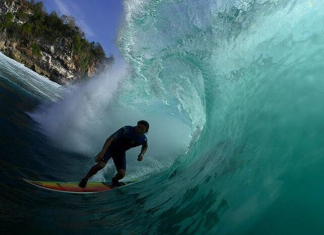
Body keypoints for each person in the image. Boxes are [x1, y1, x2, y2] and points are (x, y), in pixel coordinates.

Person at [79, 120, 149, 188]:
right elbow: (110, 138)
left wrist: (141, 154)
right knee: (100, 165)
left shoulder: (143, 139)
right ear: (136, 125)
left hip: (120, 153)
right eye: (138, 127)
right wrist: (102, 152)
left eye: (142, 129)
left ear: (145, 132)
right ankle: (85, 179)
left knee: (121, 174)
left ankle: (114, 181)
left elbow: (145, 146)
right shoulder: (126, 129)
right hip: (110, 148)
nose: (139, 130)